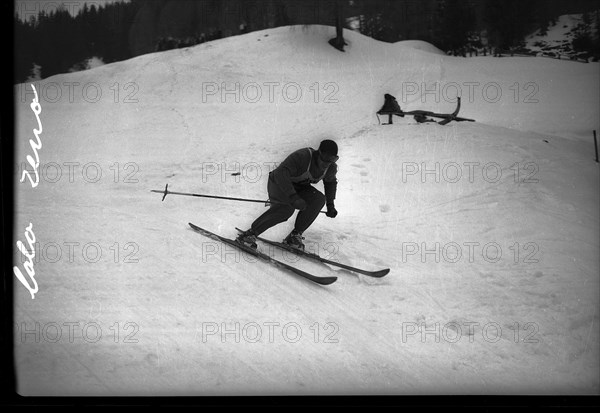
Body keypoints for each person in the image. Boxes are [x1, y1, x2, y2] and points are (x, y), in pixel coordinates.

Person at [236, 139, 339, 250]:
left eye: (332, 160)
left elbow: (330, 183)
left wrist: (330, 205)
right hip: (279, 183)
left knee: (318, 199)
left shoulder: (330, 167)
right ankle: (249, 234)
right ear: (318, 154)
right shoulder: (302, 157)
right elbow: (281, 173)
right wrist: (293, 197)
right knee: (286, 209)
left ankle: (295, 236)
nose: (327, 164)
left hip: (299, 187)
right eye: (325, 159)